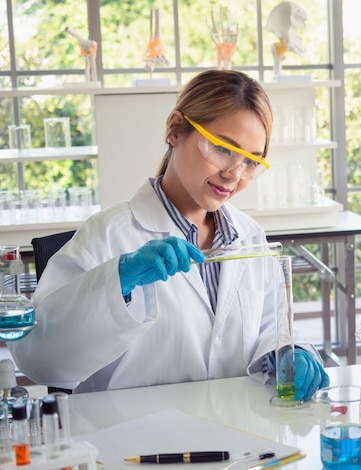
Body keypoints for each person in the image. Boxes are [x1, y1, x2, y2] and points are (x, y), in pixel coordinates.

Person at [9, 70, 329, 398]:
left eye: (250, 162)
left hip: (239, 435)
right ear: (176, 129)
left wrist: (288, 350)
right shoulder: (107, 235)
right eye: (222, 149)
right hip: (132, 439)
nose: (233, 175)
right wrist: (116, 283)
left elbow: (271, 326)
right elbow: (39, 358)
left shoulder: (249, 236)